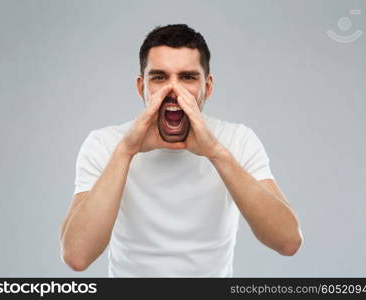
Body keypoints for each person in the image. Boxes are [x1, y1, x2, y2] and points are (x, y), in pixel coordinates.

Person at [60, 24, 303, 277]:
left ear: (207, 87)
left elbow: (287, 241)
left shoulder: (237, 140)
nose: (173, 91)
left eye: (187, 77)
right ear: (141, 86)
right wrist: (126, 151)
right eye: (159, 77)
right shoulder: (104, 144)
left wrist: (216, 153)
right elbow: (77, 256)